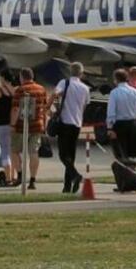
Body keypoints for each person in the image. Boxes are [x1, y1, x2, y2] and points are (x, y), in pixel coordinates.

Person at [8, 68, 50, 193]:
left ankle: (20, 175)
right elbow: (45, 108)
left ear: (22, 77)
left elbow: (16, 109)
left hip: (21, 126)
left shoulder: (20, 90)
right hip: (37, 125)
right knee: (33, 152)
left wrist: (12, 125)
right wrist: (44, 123)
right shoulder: (41, 89)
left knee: (14, 151)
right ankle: (32, 179)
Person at [53, 63, 92, 194]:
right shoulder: (85, 88)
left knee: (63, 155)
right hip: (77, 123)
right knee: (71, 155)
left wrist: (48, 107)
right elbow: (85, 106)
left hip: (65, 122)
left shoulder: (64, 83)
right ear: (81, 73)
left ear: (70, 71)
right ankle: (67, 186)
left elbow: (55, 94)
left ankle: (75, 176)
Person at [106, 70, 136, 163]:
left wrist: (110, 128)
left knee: (121, 152)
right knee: (133, 151)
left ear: (116, 80)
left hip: (119, 124)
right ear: (127, 79)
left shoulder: (114, 93)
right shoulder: (135, 92)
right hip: (133, 124)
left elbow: (111, 112)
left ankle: (124, 172)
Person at [0, 75, 15, 189]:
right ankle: (13, 175)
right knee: (12, 151)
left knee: (4, 152)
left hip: (2, 123)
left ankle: (8, 178)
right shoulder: (14, 91)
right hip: (12, 124)